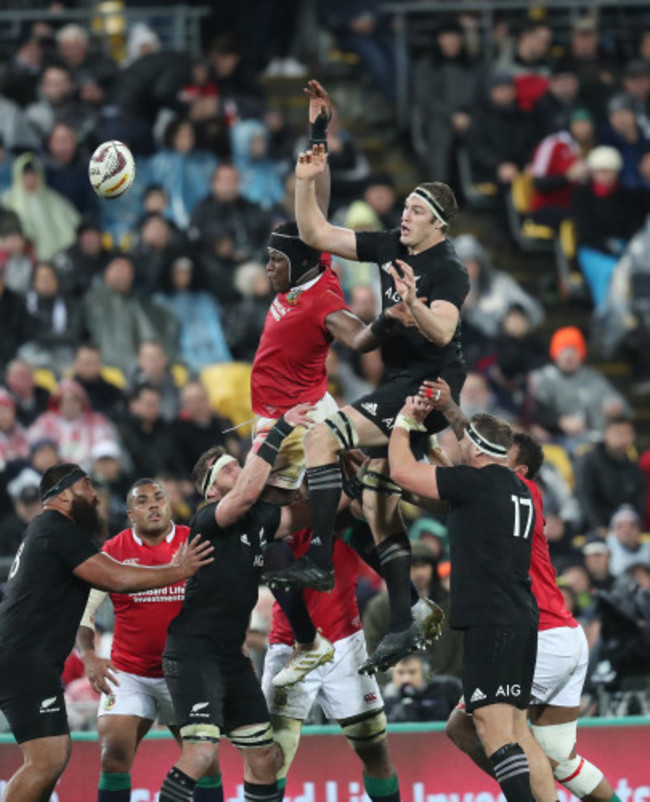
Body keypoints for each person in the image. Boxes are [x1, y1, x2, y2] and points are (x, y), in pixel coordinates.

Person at [266, 140, 469, 674]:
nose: (405, 216)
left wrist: (412, 307)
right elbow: (314, 233)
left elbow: (444, 329)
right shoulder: (388, 247)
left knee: (322, 436)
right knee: (376, 501)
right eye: (404, 207)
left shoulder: (450, 269)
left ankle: (318, 561)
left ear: (439, 225)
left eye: (417, 212)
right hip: (403, 379)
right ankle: (403, 619)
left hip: (427, 383)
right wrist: (305, 177)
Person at [421, 378, 621, 802]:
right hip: (565, 635)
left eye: (501, 454)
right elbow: (464, 468)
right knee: (558, 759)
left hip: (537, 633)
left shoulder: (507, 488)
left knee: (496, 728)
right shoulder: (521, 495)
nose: (488, 455)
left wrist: (453, 412)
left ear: (519, 470)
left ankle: (525, 795)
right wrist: (453, 416)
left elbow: (466, 469)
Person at [0, 462, 212, 802]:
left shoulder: (50, 531)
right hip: (27, 662)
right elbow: (117, 579)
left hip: (33, 660)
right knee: (47, 760)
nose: (95, 494)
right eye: (87, 486)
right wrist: (180, 570)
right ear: (65, 494)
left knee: (54, 756)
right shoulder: (59, 530)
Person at [158, 403, 318, 802]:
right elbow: (247, 492)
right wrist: (278, 431)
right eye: (228, 469)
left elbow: (311, 512)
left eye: (237, 464)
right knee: (201, 754)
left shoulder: (258, 519)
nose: (239, 471)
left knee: (265, 760)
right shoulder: (208, 517)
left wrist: (347, 471)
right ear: (211, 490)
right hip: (193, 652)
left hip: (230, 656)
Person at [388, 403, 541, 802]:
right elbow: (450, 497)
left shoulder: (477, 484)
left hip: (492, 621)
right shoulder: (515, 488)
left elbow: (403, 471)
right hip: (519, 616)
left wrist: (404, 422)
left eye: (460, 440)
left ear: (475, 449)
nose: (454, 445)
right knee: (500, 729)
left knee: (493, 730)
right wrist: (435, 454)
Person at [76, 479, 222, 802]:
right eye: (142, 501)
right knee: (113, 750)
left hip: (186, 673)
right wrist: (88, 655)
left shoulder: (193, 542)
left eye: (159, 498)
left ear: (169, 505)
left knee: (206, 762)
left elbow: (224, 601)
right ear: (130, 515)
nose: (153, 505)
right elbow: (84, 613)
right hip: (130, 672)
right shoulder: (113, 552)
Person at [261, 528, 402, 802]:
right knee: (271, 758)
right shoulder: (274, 509)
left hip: (345, 644)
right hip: (289, 645)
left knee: (375, 751)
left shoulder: (341, 505)